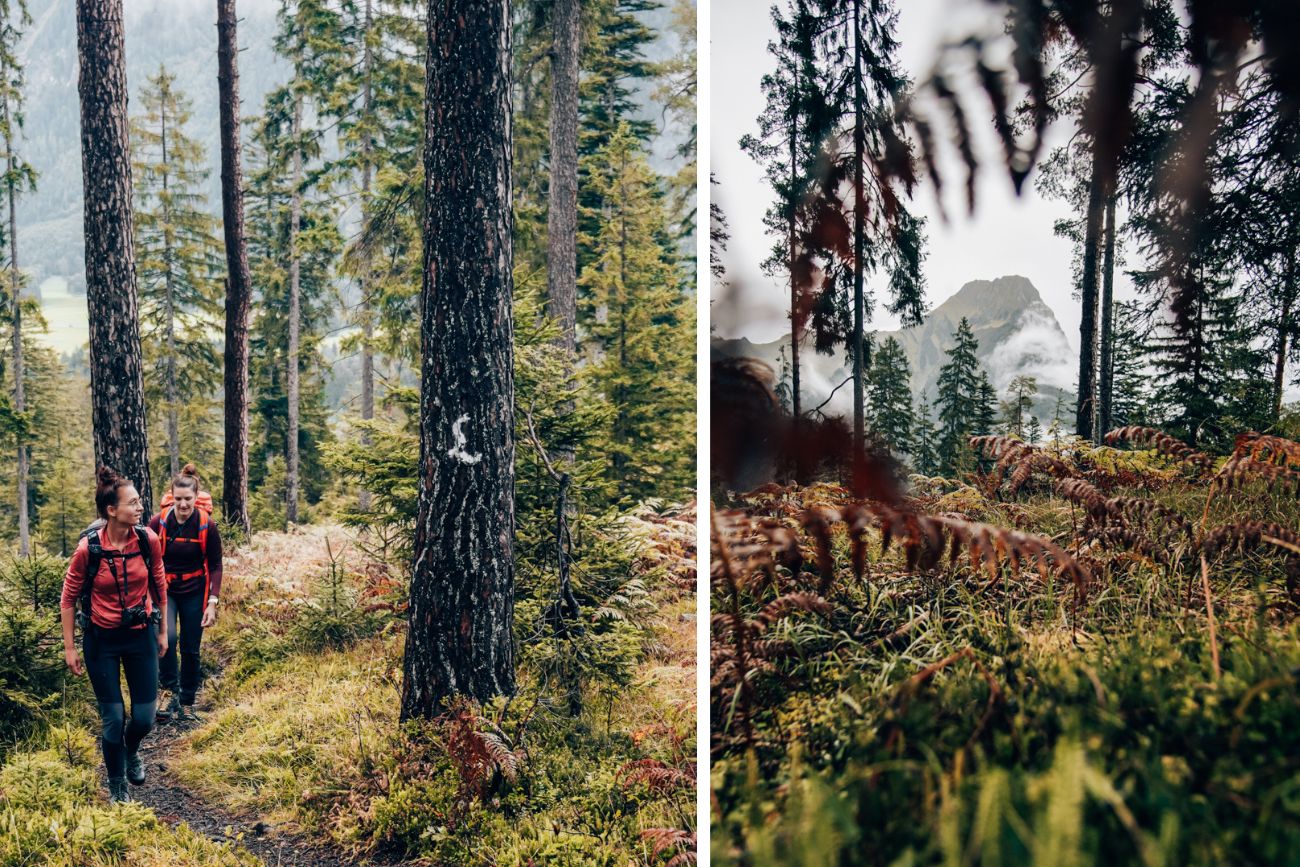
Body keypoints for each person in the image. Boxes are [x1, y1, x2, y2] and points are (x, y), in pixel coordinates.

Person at [60, 466, 167, 804]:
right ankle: (117, 783)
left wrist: (162, 630)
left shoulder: (147, 539)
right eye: (133, 503)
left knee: (144, 718)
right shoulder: (87, 549)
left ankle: (131, 750)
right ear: (112, 510)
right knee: (113, 717)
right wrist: (69, 647)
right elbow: (68, 597)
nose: (140, 508)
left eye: (139, 502)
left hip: (140, 636)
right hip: (101, 641)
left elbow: (159, 583)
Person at [150, 463, 223, 722]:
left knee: (191, 647)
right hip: (165, 591)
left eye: (188, 499)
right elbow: (146, 561)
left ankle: (188, 701)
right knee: (166, 639)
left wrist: (212, 602)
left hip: (195, 590)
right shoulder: (158, 523)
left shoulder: (207, 526)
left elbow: (215, 565)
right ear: (171, 498)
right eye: (178, 499)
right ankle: (168, 692)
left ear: (196, 497)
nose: (183, 505)